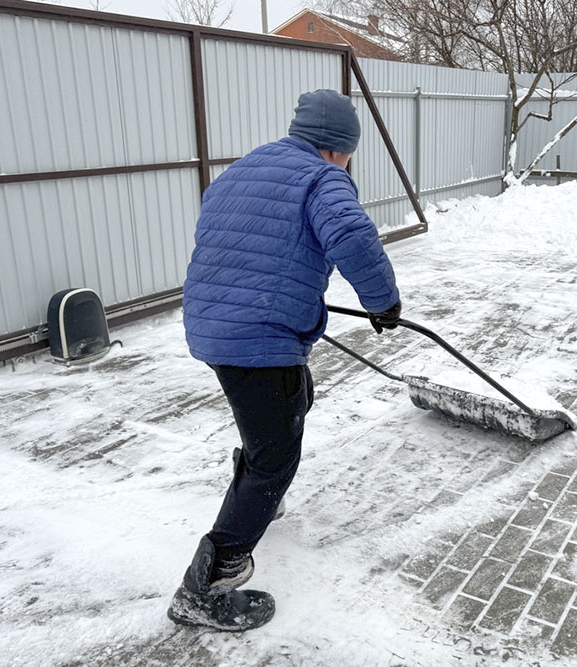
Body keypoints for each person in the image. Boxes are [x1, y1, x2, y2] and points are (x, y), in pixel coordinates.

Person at [168, 89, 403, 631]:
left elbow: (246, 241)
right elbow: (351, 236)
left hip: (213, 325)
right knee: (276, 457)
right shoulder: (323, 178)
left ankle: (257, 492)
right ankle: (205, 585)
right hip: (256, 337)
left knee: (291, 402)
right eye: (348, 152)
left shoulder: (246, 167)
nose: (348, 161)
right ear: (338, 147)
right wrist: (383, 303)